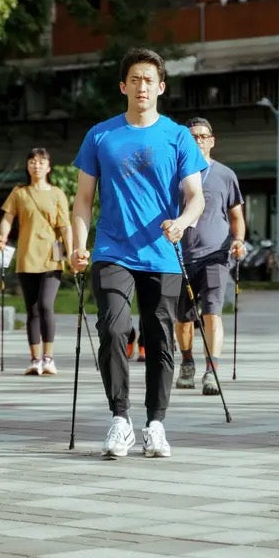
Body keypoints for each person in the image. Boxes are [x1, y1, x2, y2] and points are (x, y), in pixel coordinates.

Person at [70, 47, 207, 459]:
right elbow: (82, 199)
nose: (142, 85)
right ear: (123, 86)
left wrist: (182, 223)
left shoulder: (178, 136)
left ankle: (156, 424)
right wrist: (78, 245)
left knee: (160, 339)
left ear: (161, 87)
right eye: (135, 79)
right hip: (112, 250)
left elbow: (196, 196)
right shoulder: (101, 135)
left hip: (162, 253)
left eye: (149, 79)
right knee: (113, 328)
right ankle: (119, 420)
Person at [174, 117, 246, 395]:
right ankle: (188, 362)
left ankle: (211, 370)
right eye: (193, 137)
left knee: (212, 313)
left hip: (216, 253)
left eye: (203, 136)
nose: (198, 141)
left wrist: (238, 240)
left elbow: (236, 216)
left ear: (212, 140)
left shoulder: (225, 175)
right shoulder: (174, 174)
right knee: (183, 317)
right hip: (180, 256)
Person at [0, 148, 73, 376]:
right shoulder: (19, 193)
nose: (36, 166)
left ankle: (49, 357)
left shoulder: (57, 194)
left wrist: (72, 251)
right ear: (27, 166)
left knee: (46, 305)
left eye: (40, 162)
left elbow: (65, 226)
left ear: (49, 167)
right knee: (32, 309)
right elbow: (7, 218)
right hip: (26, 257)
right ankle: (35, 359)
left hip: (51, 257)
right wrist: (3, 236)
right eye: (32, 162)